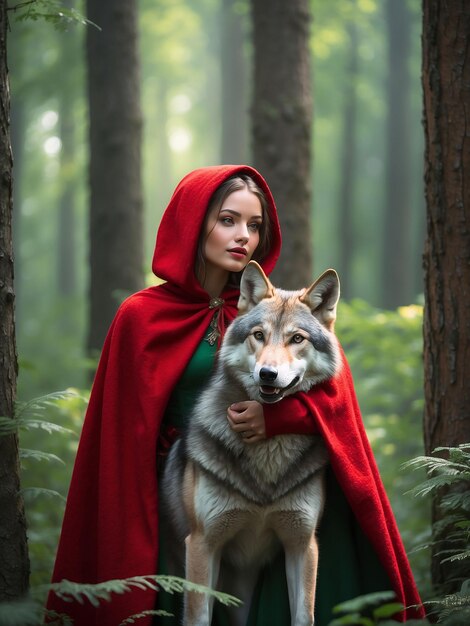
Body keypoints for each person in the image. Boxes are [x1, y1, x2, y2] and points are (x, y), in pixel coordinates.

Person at [46, 165, 425, 626]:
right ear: (192, 224)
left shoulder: (275, 311)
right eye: (228, 220)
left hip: (273, 497)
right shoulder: (141, 317)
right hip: (167, 501)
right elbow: (120, 431)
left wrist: (281, 420)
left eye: (254, 224)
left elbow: (337, 406)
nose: (242, 236)